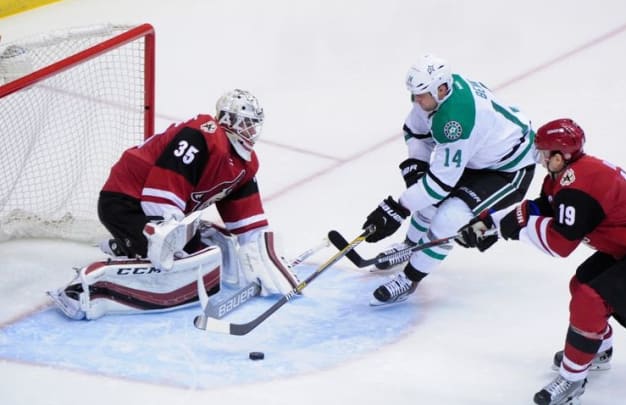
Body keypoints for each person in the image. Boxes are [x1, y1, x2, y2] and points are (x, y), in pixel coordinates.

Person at [457, 118, 626, 405]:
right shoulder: (568, 175)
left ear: (559, 156)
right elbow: (543, 207)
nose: (540, 159)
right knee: (582, 284)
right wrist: (491, 222)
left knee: (590, 299)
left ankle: (572, 381)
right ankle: (599, 350)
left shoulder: (577, 188)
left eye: (544, 153)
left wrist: (516, 231)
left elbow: (560, 243)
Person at [48, 89, 299, 320]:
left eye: (253, 124)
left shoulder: (245, 165)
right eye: (244, 123)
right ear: (226, 119)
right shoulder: (202, 134)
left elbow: (249, 225)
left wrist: (265, 256)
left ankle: (127, 245)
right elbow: (161, 196)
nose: (250, 130)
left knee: (215, 248)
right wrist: (170, 243)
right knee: (172, 262)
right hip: (124, 202)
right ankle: (83, 290)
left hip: (158, 212)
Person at [361, 54, 537, 305]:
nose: (416, 100)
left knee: (447, 220)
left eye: (421, 95)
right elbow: (415, 132)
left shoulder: (457, 120)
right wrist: (417, 165)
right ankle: (409, 246)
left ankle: (409, 280)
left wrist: (398, 208)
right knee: (427, 202)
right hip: (476, 156)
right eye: (414, 94)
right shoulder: (432, 97)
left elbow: (438, 186)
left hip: (508, 169)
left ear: (442, 89)